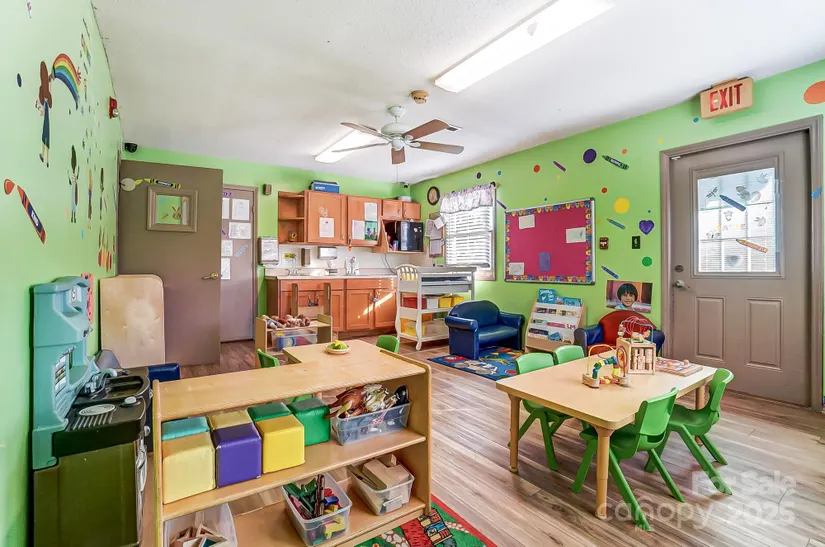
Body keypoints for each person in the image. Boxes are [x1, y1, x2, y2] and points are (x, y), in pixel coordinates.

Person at [37, 62, 52, 167]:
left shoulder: (42, 88)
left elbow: (43, 101)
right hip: (47, 117)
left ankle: (44, 156)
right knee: (47, 135)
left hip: (45, 118)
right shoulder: (46, 91)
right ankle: (46, 159)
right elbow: (50, 104)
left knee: (44, 135)